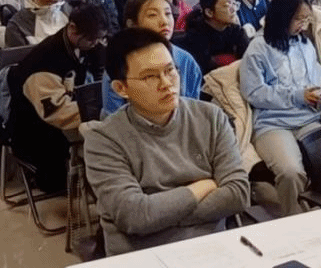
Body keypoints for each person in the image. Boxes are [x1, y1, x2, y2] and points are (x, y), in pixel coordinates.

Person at [83, 27, 250, 256]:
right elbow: (135, 216)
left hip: (211, 250)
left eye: (170, 70)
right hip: (142, 258)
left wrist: (160, 215)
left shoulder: (211, 117)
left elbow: (238, 193)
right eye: (150, 76)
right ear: (121, 88)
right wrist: (203, 186)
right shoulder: (103, 139)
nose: (166, 83)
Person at [240, 0, 321, 216]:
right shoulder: (259, 48)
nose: (303, 25)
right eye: (298, 19)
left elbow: (315, 74)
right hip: (273, 124)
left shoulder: (304, 44)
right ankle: (291, 221)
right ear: (282, 16)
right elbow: (253, 92)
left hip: (308, 119)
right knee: (291, 172)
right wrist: (297, 95)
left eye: (306, 19)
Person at [8, 4, 108, 193]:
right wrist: (102, 112)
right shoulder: (44, 61)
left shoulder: (89, 46)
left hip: (74, 111)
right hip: (36, 127)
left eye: (100, 38)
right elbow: (57, 113)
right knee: (61, 183)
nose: (97, 44)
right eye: (92, 39)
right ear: (72, 29)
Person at [102, 0, 202, 116]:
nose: (164, 21)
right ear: (133, 24)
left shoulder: (186, 60)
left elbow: (192, 111)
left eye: (168, 13)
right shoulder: (120, 63)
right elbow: (112, 118)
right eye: (152, 15)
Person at [175, 0, 249, 74]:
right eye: (227, 5)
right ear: (209, 12)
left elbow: (249, 64)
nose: (233, 9)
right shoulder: (195, 37)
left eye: (234, 3)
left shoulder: (238, 32)